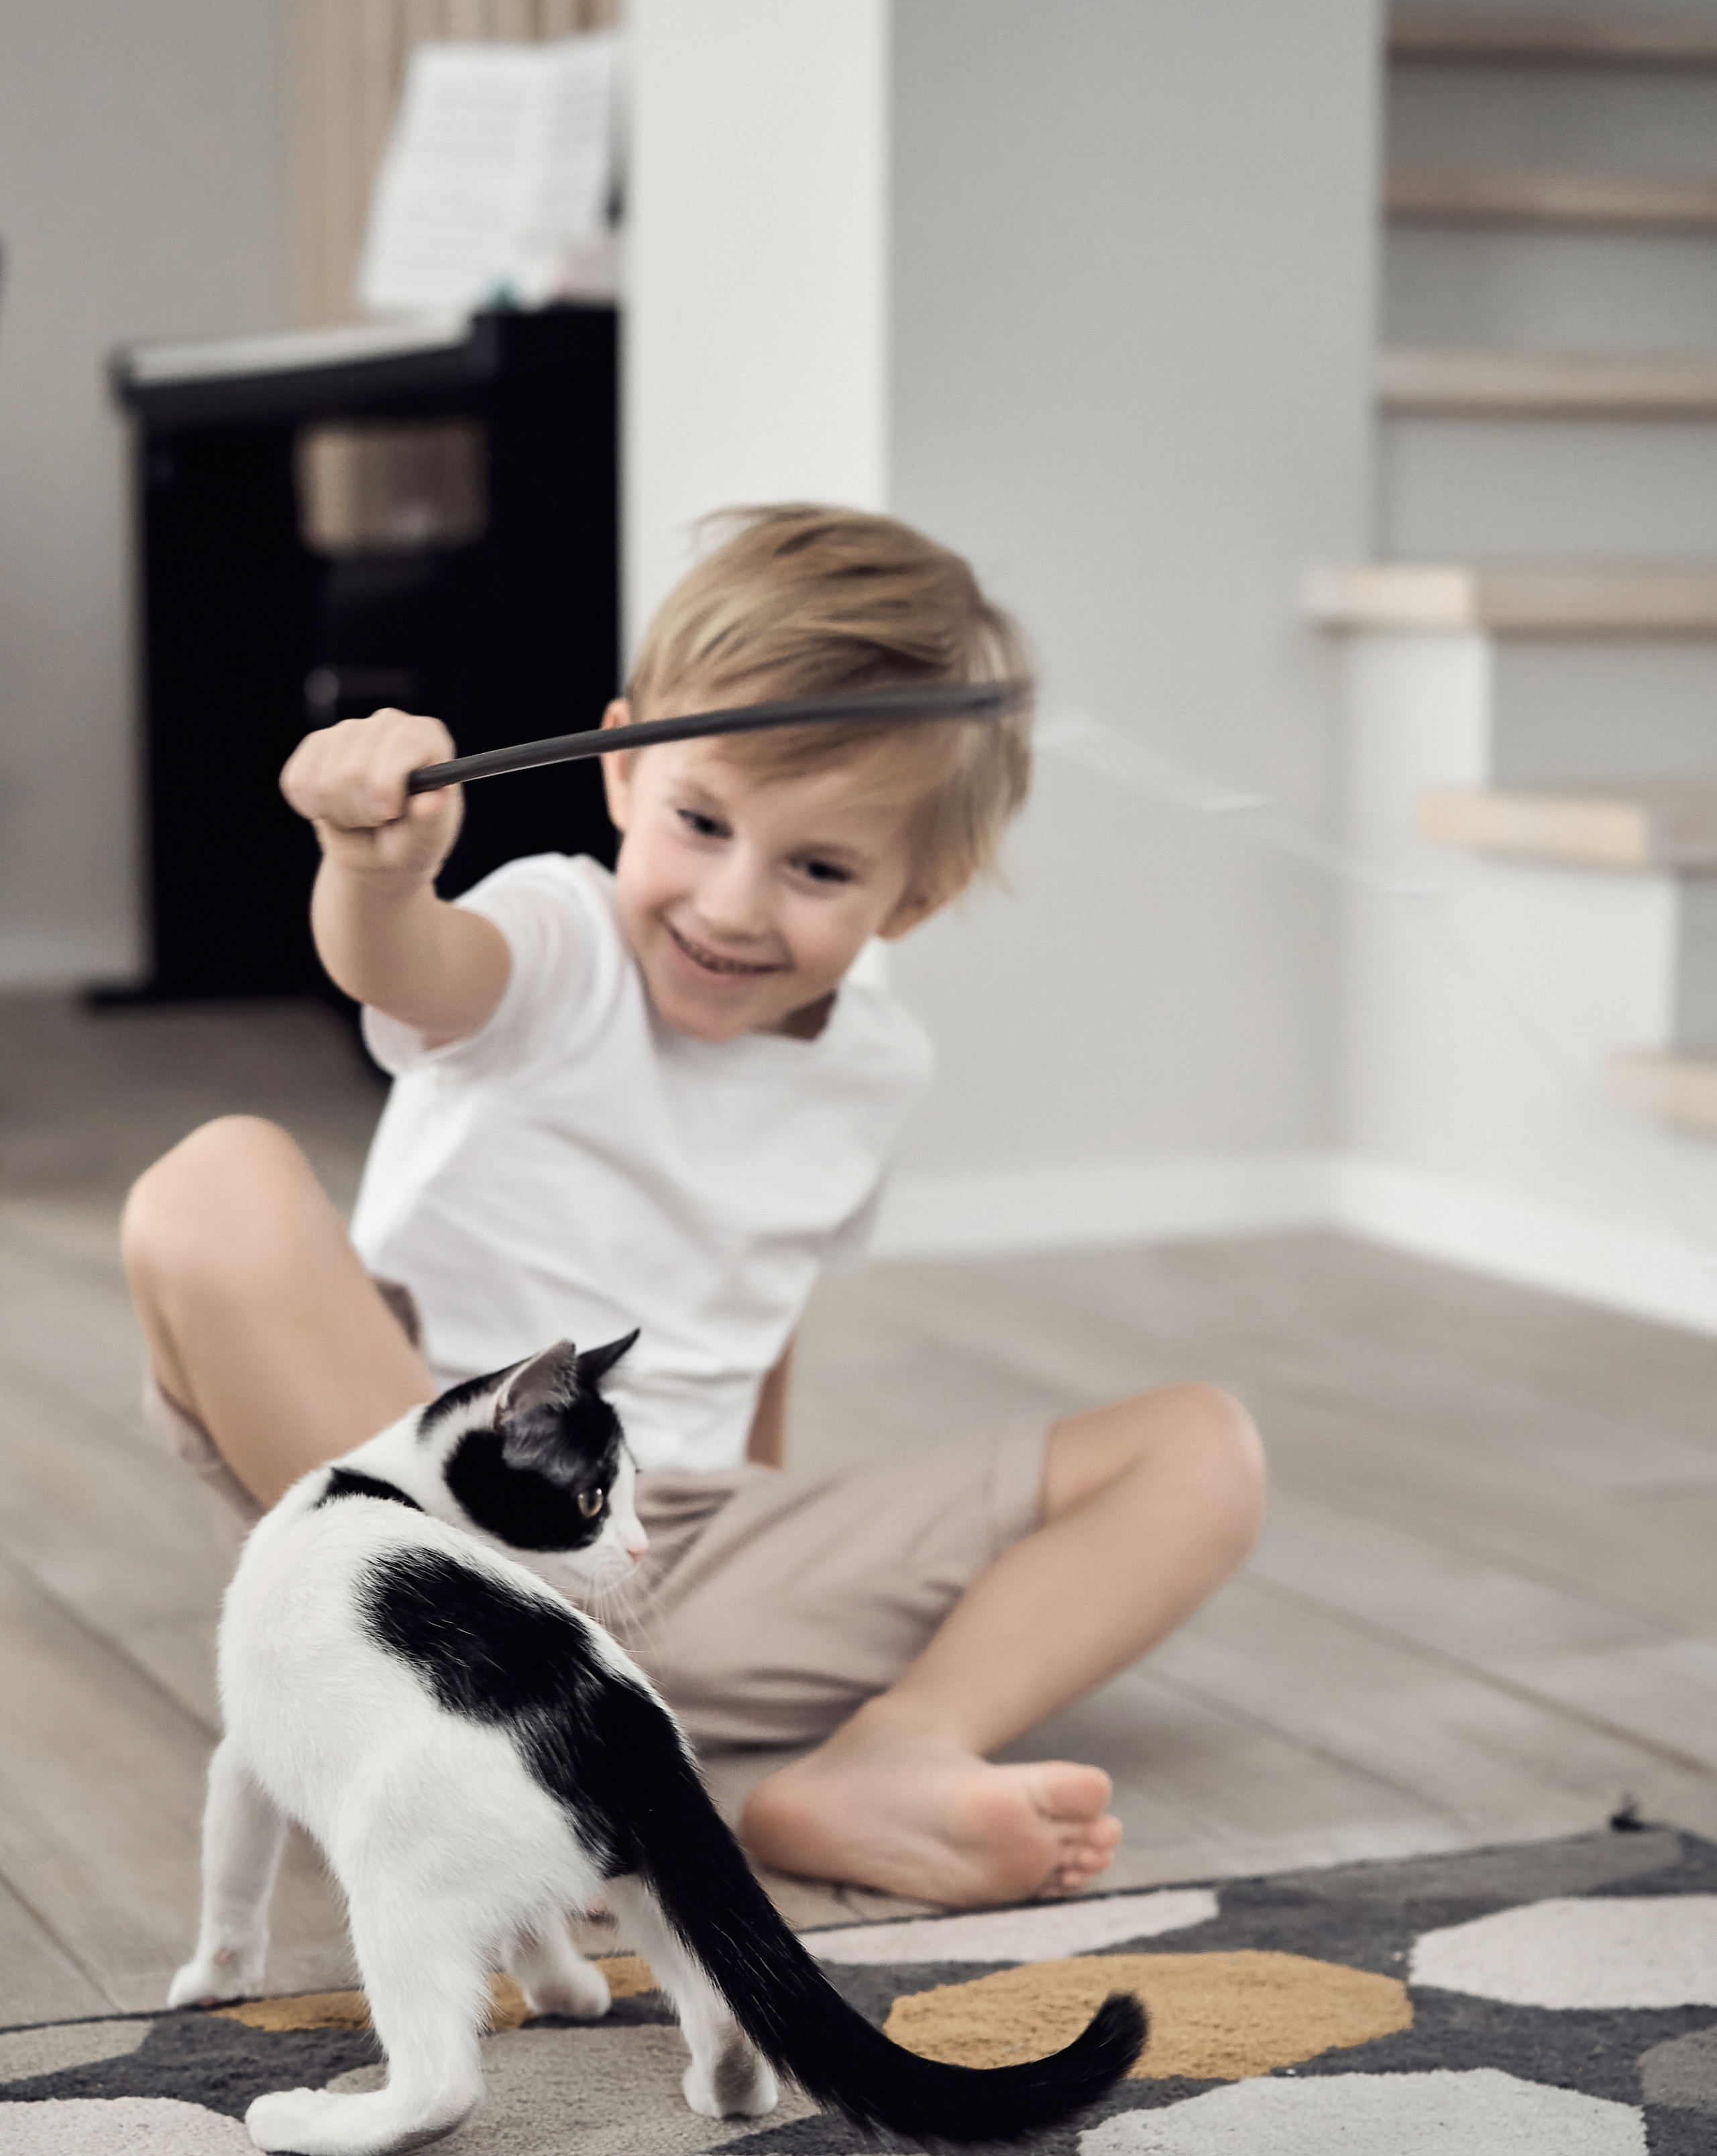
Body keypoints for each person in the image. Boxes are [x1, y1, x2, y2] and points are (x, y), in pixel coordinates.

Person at [123, 505, 1264, 1911]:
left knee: (1199, 1449)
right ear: (622, 767)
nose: (731, 903)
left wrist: (772, 1516)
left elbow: (761, 1305)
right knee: (210, 1183)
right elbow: (403, 967)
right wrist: (375, 871)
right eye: (701, 821)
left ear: (918, 897)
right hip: (412, 1497)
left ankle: (889, 1759)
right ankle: (476, 1732)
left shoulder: (873, 1070)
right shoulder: (554, 942)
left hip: (679, 1554)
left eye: (818, 868)